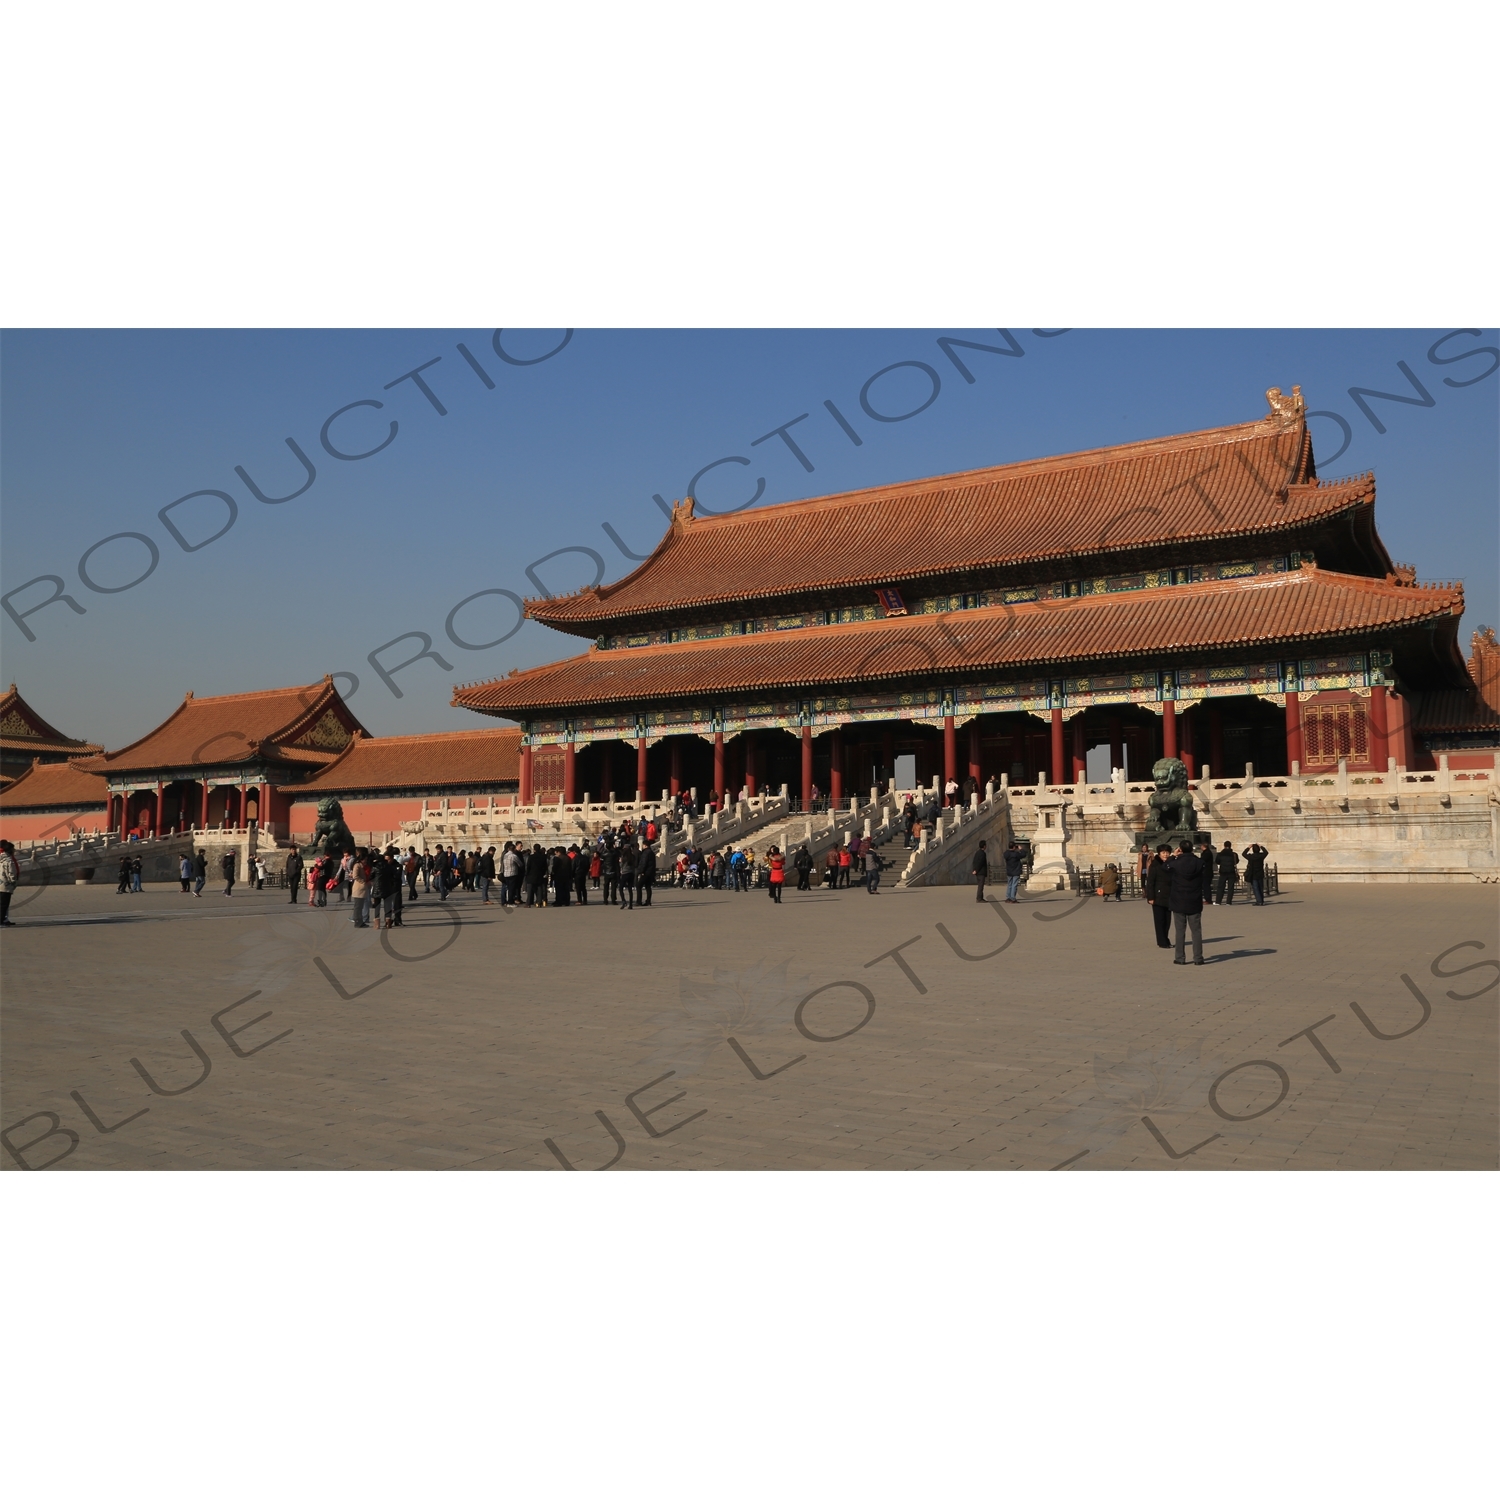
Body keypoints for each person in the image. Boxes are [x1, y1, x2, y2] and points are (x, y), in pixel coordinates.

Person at [1168, 843, 1206, 965]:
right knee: (1196, 931)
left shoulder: (1175, 863)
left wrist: (1173, 856)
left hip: (1178, 900)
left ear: (1181, 849)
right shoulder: (1199, 862)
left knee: (1179, 931)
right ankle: (1198, 958)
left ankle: (1180, 957)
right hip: (1194, 900)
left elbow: (1165, 867)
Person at [1143, 844, 1173, 948]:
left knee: (1167, 920)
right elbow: (1150, 882)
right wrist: (1150, 897)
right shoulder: (1154, 865)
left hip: (1169, 896)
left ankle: (1166, 938)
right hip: (1158, 896)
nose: (1165, 854)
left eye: (1167, 852)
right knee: (1160, 920)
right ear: (1159, 854)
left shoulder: (1170, 864)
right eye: (1163, 853)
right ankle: (1162, 942)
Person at [1214, 841, 1239, 906]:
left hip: (1223, 871)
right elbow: (1236, 862)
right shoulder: (1234, 854)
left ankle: (1218, 901)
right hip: (1231, 871)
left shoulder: (1220, 854)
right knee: (1230, 887)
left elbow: (1217, 861)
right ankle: (1228, 902)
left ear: (1224, 846)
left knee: (1220, 887)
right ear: (1230, 846)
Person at [350, 849, 372, 926]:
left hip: (363, 889)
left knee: (360, 906)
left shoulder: (362, 866)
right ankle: (357, 921)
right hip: (358, 888)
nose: (365, 861)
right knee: (358, 906)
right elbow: (355, 876)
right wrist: (363, 881)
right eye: (364, 860)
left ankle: (360, 921)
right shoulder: (357, 865)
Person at [0, 839, 18, 925]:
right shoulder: (8, 860)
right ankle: (2, 920)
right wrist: (13, 881)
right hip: (5, 885)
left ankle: (3, 920)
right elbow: (10, 873)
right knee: (4, 904)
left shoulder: (1, 858)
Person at [636, 840, 656, 906]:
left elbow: (644, 863)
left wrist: (641, 871)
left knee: (639, 886)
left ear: (645, 845)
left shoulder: (645, 853)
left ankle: (639, 901)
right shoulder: (652, 852)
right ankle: (648, 901)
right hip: (650, 872)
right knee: (648, 887)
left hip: (646, 872)